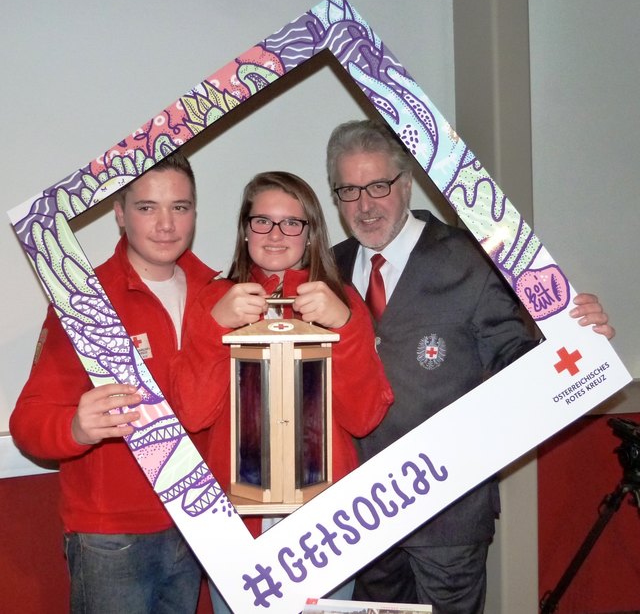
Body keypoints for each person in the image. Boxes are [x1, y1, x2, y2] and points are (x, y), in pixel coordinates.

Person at [326, 119, 615, 614]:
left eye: (378, 185)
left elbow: (516, 360)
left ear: (407, 182)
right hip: (361, 516)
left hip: (449, 513)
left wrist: (577, 341)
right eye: (348, 190)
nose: (365, 205)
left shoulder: (470, 259)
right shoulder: (328, 268)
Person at [171, 170, 394, 613]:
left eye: (292, 223)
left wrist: (346, 327)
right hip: (235, 524)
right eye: (263, 221)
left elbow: (364, 416)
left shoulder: (340, 299)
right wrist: (215, 328)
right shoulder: (212, 298)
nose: (276, 234)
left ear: (310, 232)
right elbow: (192, 414)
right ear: (245, 228)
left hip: (326, 523)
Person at [10, 151, 217, 614]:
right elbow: (27, 422)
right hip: (111, 537)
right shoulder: (84, 301)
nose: (166, 224)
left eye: (179, 207)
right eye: (147, 207)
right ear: (119, 215)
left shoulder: (217, 293)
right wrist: (75, 428)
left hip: (198, 526)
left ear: (195, 213)